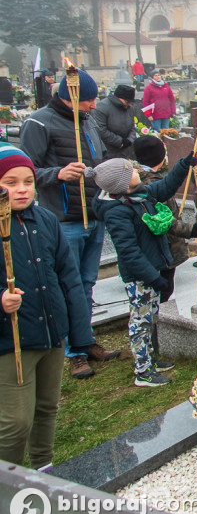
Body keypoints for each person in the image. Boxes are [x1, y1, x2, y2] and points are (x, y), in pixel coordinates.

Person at [20, 68, 119, 380]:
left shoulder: (87, 120)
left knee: (86, 284)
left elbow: (97, 160)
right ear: (69, 96)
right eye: (88, 100)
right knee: (68, 285)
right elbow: (25, 171)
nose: (93, 106)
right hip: (64, 219)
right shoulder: (39, 122)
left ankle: (85, 340)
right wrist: (57, 174)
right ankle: (73, 352)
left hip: (92, 213)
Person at [0, 145, 94, 471]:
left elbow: (68, 276)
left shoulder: (45, 219)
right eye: (11, 182)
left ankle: (43, 467)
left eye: (28, 180)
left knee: (47, 407)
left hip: (52, 331)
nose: (22, 189)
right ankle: (7, 481)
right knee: (15, 422)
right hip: (12, 339)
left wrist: (79, 333)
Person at [92, 153, 197, 387]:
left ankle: (150, 358)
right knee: (140, 321)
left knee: (150, 317)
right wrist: (152, 277)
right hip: (141, 275)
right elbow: (129, 252)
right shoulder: (118, 211)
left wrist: (183, 165)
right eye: (130, 170)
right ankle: (142, 370)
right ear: (120, 183)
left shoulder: (139, 195)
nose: (136, 171)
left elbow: (164, 187)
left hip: (153, 268)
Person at [133, 135, 197, 305]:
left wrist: (184, 165)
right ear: (161, 157)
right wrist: (191, 230)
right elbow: (163, 219)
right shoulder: (151, 183)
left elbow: (171, 182)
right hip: (164, 246)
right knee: (161, 293)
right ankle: (156, 328)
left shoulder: (136, 179)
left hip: (155, 248)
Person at [93, 84, 138, 160]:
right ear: (118, 98)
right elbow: (101, 130)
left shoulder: (130, 108)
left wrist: (128, 141)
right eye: (127, 101)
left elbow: (132, 127)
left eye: (131, 102)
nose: (129, 104)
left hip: (125, 150)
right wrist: (119, 142)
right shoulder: (102, 107)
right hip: (108, 151)